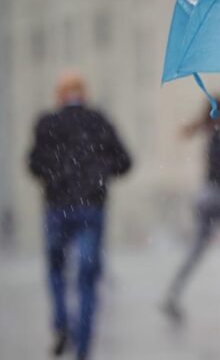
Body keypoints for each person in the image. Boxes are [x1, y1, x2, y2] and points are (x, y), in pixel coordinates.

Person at [28, 71, 131, 360]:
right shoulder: (98, 121)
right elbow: (125, 161)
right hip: (90, 208)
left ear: (59, 97)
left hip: (57, 208)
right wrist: (100, 173)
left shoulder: (47, 123)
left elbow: (34, 165)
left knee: (56, 269)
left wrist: (56, 176)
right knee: (87, 278)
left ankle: (61, 322)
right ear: (84, 94)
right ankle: (83, 347)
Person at [162, 96, 220, 322]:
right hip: (213, 197)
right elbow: (219, 169)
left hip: (207, 197)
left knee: (198, 249)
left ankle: (173, 293)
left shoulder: (214, 133)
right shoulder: (216, 136)